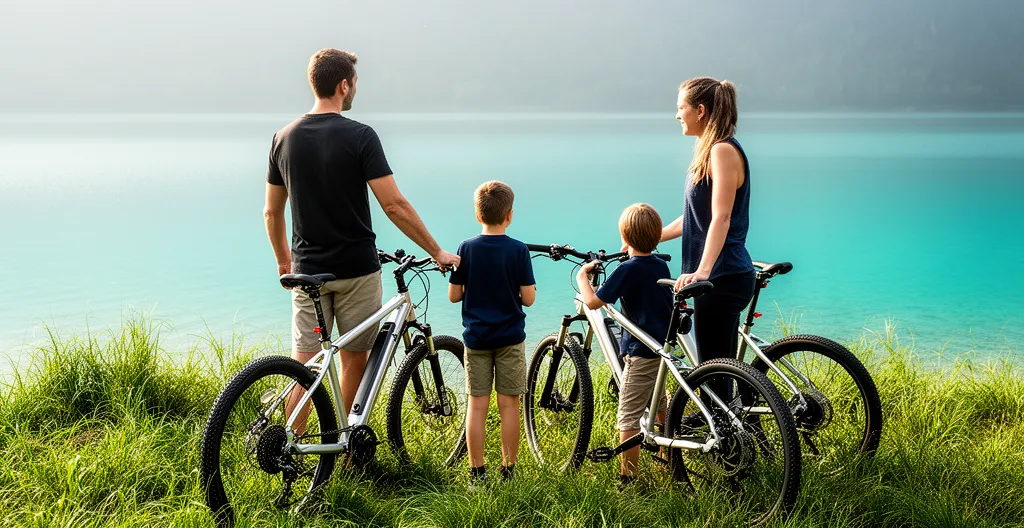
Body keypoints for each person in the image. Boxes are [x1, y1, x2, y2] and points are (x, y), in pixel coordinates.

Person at [263, 48, 459, 431]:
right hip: (356, 272)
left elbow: (271, 212)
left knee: (303, 365)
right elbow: (395, 206)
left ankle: (292, 448)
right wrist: (435, 250)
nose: (356, 90)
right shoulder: (361, 136)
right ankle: (344, 449)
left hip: (306, 273)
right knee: (353, 359)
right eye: (354, 83)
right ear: (343, 85)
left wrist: (283, 260)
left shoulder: (282, 138)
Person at [661, 77, 755, 376]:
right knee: (720, 366)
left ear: (700, 110)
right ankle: (728, 417)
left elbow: (722, 218)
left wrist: (702, 272)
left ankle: (720, 420)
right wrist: (653, 237)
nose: (677, 115)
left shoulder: (722, 150)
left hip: (722, 275)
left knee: (713, 369)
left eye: (681, 108)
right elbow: (696, 217)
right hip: (720, 274)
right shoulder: (710, 151)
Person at [447, 181, 536, 489]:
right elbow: (528, 299)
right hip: (511, 338)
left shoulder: (466, 248)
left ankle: (477, 474)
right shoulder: (519, 250)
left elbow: (454, 296)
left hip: (477, 340)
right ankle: (508, 471)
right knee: (509, 405)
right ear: (509, 215)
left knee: (477, 405)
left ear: (477, 214)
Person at [577, 203, 671, 489]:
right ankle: (668, 457)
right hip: (662, 349)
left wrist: (584, 277)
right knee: (660, 404)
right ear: (656, 237)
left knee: (627, 417)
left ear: (626, 239)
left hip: (640, 353)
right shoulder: (660, 264)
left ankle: (629, 478)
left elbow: (593, 302)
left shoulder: (627, 269)